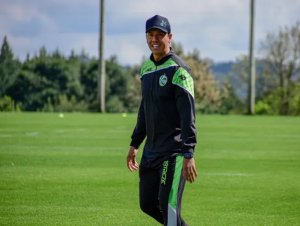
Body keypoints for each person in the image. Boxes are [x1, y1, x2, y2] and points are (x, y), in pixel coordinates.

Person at [126, 14, 198, 226]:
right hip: (151, 151)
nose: (154, 39)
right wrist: (135, 143)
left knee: (169, 208)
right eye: (150, 35)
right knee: (147, 204)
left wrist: (189, 152)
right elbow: (144, 109)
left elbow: (188, 115)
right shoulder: (146, 68)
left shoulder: (179, 71)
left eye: (160, 35)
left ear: (170, 37)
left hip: (173, 153)